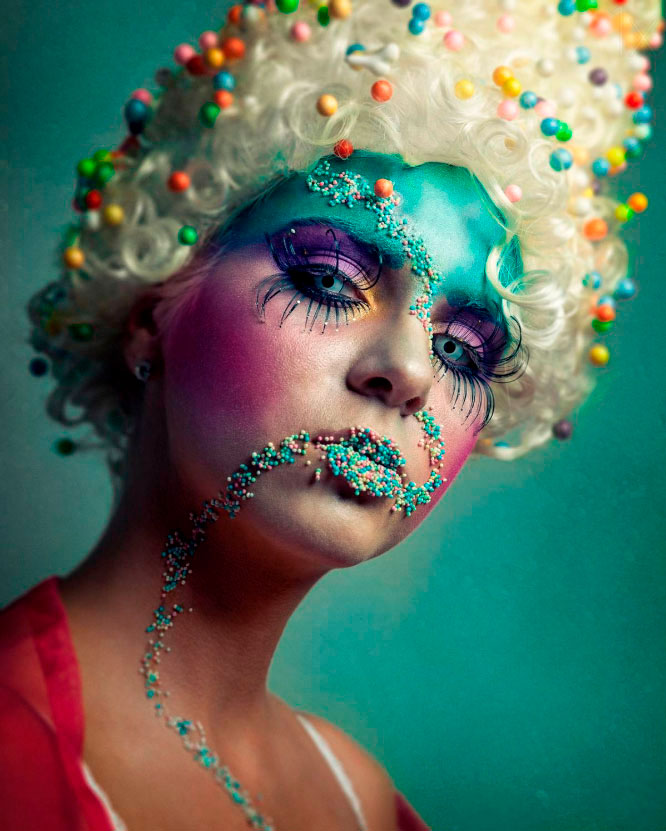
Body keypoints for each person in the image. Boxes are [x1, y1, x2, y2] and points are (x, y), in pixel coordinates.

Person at [1, 1, 663, 829]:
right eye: (327, 280)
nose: (409, 372)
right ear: (150, 312)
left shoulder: (364, 799)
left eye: (461, 350)